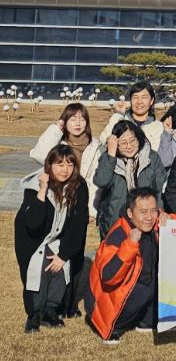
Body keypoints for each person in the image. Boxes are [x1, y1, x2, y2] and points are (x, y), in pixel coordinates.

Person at [29, 103, 101, 319]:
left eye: (82, 118)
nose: (78, 123)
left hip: (81, 202)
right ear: (65, 121)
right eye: (72, 118)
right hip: (58, 202)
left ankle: (71, 304)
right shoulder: (58, 143)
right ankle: (54, 302)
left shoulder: (95, 145)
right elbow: (37, 154)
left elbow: (95, 180)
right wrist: (55, 129)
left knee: (76, 253)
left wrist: (92, 209)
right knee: (55, 250)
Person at [85, 187, 176, 345]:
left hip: (140, 287)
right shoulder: (118, 235)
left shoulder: (156, 222)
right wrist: (129, 244)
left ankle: (146, 321)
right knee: (143, 289)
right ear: (130, 213)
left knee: (160, 279)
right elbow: (108, 277)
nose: (149, 217)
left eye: (153, 211)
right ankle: (115, 328)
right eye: (143, 212)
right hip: (106, 303)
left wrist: (170, 219)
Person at [15, 145, 88, 333]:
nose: (65, 169)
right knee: (37, 272)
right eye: (60, 164)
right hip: (33, 238)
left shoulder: (79, 186)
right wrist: (42, 190)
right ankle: (33, 315)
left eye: (70, 164)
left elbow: (78, 224)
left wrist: (64, 254)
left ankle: (50, 311)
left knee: (59, 271)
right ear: (49, 165)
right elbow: (33, 223)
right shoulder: (34, 185)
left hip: (58, 235)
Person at [94, 120, 167, 240]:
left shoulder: (152, 158)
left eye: (132, 141)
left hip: (147, 220)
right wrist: (111, 154)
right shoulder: (109, 159)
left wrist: (160, 212)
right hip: (116, 221)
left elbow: (159, 189)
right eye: (123, 143)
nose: (129, 146)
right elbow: (101, 181)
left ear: (139, 138)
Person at [99, 81, 164, 152]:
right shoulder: (119, 119)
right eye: (135, 97)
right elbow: (104, 141)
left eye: (144, 97)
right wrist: (118, 114)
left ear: (151, 101)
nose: (139, 102)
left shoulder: (159, 127)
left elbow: (156, 152)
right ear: (130, 100)